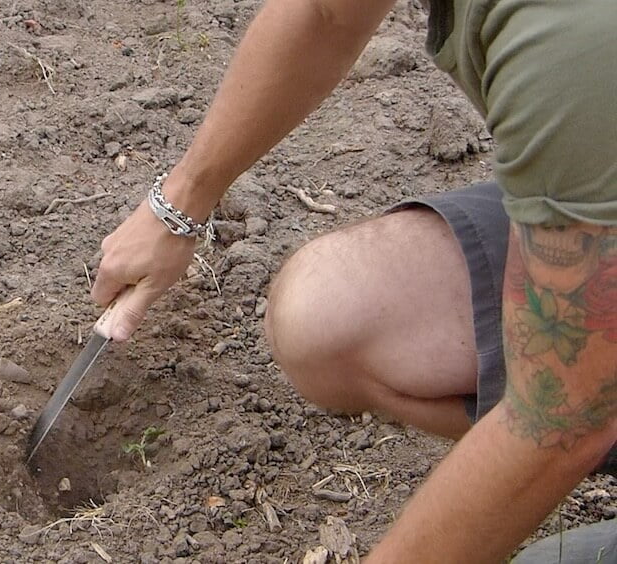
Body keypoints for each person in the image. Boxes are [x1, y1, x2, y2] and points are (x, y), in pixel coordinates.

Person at [89, 0, 617, 561]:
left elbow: (562, 417)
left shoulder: (571, 42)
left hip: (586, 118)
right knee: (326, 312)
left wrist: (573, 428)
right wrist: (182, 200)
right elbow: (326, 15)